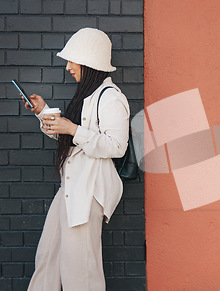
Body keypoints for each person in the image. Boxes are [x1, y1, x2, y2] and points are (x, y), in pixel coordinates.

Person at [22, 27, 130, 291]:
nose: (68, 66)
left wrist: (71, 129)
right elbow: (72, 140)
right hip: (71, 188)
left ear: (90, 62)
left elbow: (117, 146)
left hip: (88, 191)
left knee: (80, 272)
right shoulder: (87, 95)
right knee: (48, 259)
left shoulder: (110, 98)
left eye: (73, 60)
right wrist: (44, 113)